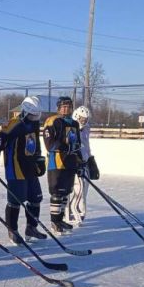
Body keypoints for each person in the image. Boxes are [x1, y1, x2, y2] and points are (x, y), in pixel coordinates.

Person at [0, 96, 47, 244]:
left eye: (36, 115)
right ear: (25, 111)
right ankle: (12, 230)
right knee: (15, 201)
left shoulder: (34, 124)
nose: (34, 118)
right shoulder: (13, 125)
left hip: (30, 168)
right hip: (15, 169)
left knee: (35, 198)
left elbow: (36, 142)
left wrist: (39, 159)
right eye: (32, 114)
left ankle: (31, 227)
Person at [42, 96, 83, 234]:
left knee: (66, 192)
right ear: (58, 108)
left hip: (70, 163)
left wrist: (81, 162)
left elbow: (77, 144)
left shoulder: (75, 124)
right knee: (56, 192)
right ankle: (54, 221)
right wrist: (65, 147)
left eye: (69, 106)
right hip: (57, 163)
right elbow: (50, 143)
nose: (66, 109)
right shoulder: (52, 121)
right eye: (63, 106)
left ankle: (60, 220)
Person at [65, 106, 100, 225]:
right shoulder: (70, 128)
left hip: (84, 163)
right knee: (77, 189)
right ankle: (72, 212)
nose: (84, 121)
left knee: (83, 189)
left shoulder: (86, 128)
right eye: (82, 118)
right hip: (74, 164)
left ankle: (80, 211)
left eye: (86, 119)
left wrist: (90, 159)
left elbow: (87, 145)